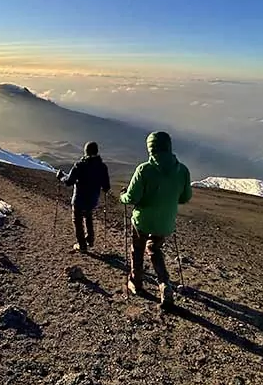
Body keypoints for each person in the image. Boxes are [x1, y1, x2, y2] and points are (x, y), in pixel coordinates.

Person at [119, 131, 192, 310]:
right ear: (169, 146)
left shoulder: (144, 169)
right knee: (154, 249)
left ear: (150, 148)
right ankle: (164, 284)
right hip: (165, 222)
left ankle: (136, 283)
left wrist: (123, 196)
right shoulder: (182, 170)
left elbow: (133, 197)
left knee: (137, 249)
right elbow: (185, 197)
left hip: (142, 220)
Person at [56, 141, 110, 253]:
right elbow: (106, 187)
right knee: (88, 217)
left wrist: (61, 176)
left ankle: (82, 245)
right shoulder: (102, 167)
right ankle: (90, 239)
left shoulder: (79, 165)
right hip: (92, 200)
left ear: (86, 152)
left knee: (77, 221)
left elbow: (69, 182)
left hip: (79, 199)